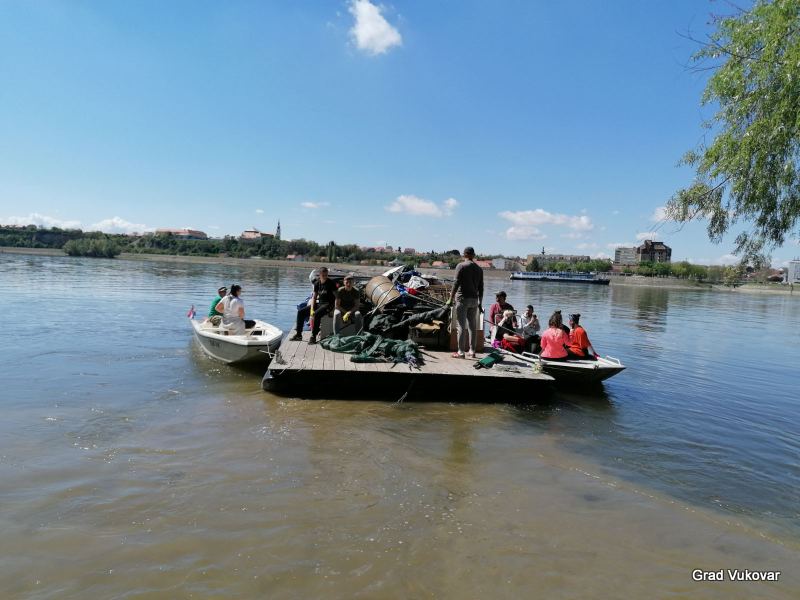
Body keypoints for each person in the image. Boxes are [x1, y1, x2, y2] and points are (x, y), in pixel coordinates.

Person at [446, 246, 484, 358]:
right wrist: (480, 303)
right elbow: (481, 287)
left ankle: (461, 352)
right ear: (473, 255)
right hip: (474, 300)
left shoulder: (461, 266)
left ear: (465, 254)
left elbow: (456, 283)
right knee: (472, 326)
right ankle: (472, 351)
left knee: (461, 326)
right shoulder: (479, 269)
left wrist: (450, 298)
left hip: (462, 299)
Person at [291, 267, 337, 344]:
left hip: (328, 305)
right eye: (323, 275)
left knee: (316, 314)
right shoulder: (317, 283)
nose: (325, 277)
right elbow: (314, 297)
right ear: (320, 275)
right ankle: (298, 335)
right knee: (301, 312)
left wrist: (333, 309)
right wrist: (312, 309)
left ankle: (313, 336)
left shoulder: (331, 283)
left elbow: (337, 297)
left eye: (326, 275)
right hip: (320, 304)